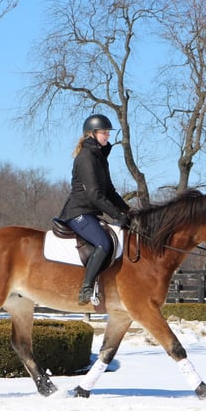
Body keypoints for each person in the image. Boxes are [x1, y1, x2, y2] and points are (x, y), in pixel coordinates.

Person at [58, 113, 130, 304]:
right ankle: (86, 288)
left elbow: (110, 191)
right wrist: (116, 215)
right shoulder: (86, 157)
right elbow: (94, 194)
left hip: (90, 212)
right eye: (104, 132)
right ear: (91, 134)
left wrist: (129, 212)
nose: (107, 136)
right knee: (103, 243)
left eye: (108, 132)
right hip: (78, 212)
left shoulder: (100, 158)